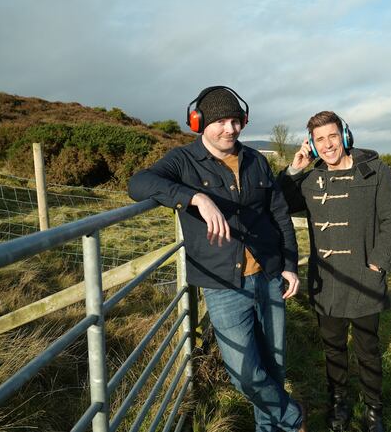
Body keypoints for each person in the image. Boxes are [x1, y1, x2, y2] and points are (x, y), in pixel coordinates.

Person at [128, 86, 306, 432]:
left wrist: (289, 265)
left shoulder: (257, 160)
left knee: (275, 367)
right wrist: (195, 198)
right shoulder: (183, 160)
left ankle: (273, 428)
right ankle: (293, 417)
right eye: (221, 121)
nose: (230, 128)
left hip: (270, 275)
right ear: (199, 122)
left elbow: (279, 215)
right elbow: (139, 184)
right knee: (246, 375)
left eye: (236, 120)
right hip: (222, 284)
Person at [277, 111, 391, 432]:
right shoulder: (310, 179)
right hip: (327, 283)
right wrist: (296, 167)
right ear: (312, 145)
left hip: (365, 278)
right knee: (333, 350)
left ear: (345, 136)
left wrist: (378, 262)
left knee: (368, 349)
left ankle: (374, 410)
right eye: (319, 140)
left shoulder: (375, 171)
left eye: (332, 136)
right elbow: (276, 201)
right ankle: (338, 405)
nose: (328, 145)